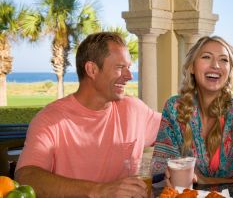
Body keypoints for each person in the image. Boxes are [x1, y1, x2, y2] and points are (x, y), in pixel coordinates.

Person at [15, 32, 162, 198]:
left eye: (128, 67)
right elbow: (26, 177)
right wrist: (99, 191)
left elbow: (182, 130)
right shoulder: (50, 120)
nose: (129, 76)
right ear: (92, 69)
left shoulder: (133, 109)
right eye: (120, 68)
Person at [153, 36, 233, 184]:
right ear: (192, 67)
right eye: (206, 57)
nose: (216, 65)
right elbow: (160, 167)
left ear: (230, 71)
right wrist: (168, 174)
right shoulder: (175, 108)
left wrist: (205, 180)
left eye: (223, 60)